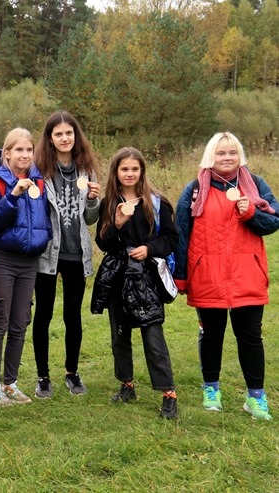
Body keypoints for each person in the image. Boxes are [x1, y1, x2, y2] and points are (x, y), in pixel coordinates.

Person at [174, 132, 279, 420]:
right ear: (211, 156)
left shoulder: (255, 185)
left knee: (250, 337)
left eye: (232, 152)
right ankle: (212, 391)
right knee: (211, 336)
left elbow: (273, 222)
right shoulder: (194, 189)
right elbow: (181, 233)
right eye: (221, 153)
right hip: (207, 275)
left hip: (247, 275)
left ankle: (256, 397)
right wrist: (181, 276)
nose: (227, 157)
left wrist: (250, 214)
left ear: (240, 155)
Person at [91, 147, 178, 419]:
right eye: (124, 169)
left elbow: (171, 239)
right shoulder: (109, 202)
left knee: (153, 335)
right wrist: (116, 224)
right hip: (118, 276)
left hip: (146, 278)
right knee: (119, 335)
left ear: (141, 171)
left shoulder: (157, 202)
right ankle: (126, 384)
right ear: (116, 173)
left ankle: (168, 394)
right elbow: (103, 242)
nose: (129, 174)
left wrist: (149, 249)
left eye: (134, 169)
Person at [31, 111, 101, 398]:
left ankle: (72, 373)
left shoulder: (87, 170)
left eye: (69, 133)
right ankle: (43, 377)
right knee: (44, 314)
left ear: (76, 136)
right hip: (48, 253)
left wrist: (95, 200)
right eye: (58, 134)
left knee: (73, 316)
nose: (64, 138)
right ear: (50, 138)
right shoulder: (40, 170)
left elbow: (89, 218)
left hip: (76, 252)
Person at [0, 128, 52, 406]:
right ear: (7, 153)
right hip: (3, 259)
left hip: (29, 262)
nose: (24, 155)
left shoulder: (40, 182)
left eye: (28, 150)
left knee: (20, 322)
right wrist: (12, 195)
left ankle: (10, 383)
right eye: (18, 150)